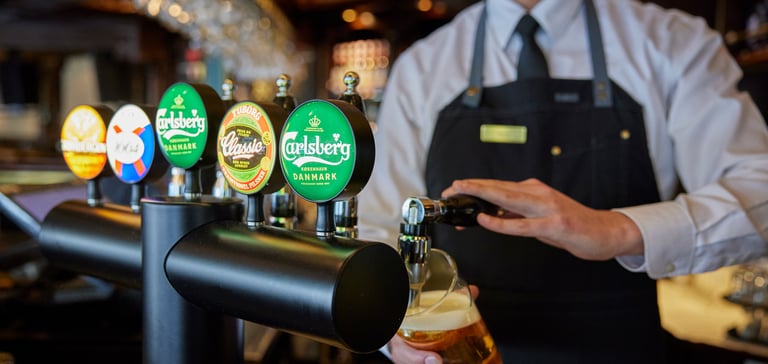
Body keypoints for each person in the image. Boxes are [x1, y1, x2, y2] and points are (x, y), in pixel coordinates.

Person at [357, 0, 768, 362]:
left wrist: (618, 229)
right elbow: (379, 227)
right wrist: (393, 335)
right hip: (464, 347)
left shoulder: (672, 42)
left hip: (619, 347)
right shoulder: (423, 66)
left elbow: (759, 191)